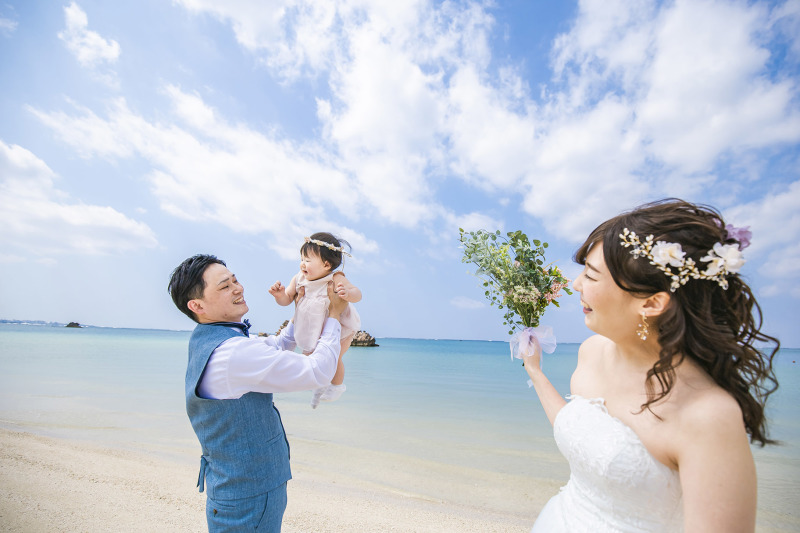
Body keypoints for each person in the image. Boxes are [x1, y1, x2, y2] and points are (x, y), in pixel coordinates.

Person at [523, 199, 779, 532]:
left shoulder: (708, 416)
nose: (576, 284)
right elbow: (582, 433)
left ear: (652, 303)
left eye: (591, 275)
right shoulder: (592, 352)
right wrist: (535, 371)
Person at [168, 254, 348, 533]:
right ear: (197, 305)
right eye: (225, 286)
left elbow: (278, 344)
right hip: (249, 495)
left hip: (238, 487)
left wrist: (302, 309)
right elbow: (318, 372)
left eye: (235, 280)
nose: (238, 288)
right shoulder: (233, 352)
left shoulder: (215, 338)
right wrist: (334, 316)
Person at [269, 232, 362, 408]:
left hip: (340, 327)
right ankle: (318, 389)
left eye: (307, 260)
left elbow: (358, 294)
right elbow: (287, 299)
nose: (302, 264)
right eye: (301, 259)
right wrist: (279, 295)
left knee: (335, 357)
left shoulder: (335, 278)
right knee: (312, 360)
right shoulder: (299, 278)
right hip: (312, 326)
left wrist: (348, 293)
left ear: (326, 264)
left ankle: (336, 387)